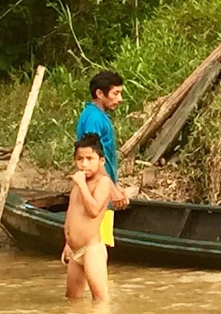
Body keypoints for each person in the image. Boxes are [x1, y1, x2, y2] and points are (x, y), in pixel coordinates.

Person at [75, 70, 130, 248]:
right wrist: (111, 189)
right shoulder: (93, 118)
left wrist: (114, 185)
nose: (120, 99)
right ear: (100, 93)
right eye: (116, 93)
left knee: (99, 245)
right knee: (97, 246)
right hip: (96, 191)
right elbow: (91, 158)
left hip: (101, 187)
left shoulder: (97, 116)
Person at [63, 134, 114, 302]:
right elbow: (72, 215)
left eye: (90, 159)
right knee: (72, 300)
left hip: (92, 250)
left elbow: (93, 210)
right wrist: (67, 244)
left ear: (101, 161)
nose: (84, 164)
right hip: (75, 250)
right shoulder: (78, 184)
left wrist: (82, 185)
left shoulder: (103, 182)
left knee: (100, 300)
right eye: (80, 159)